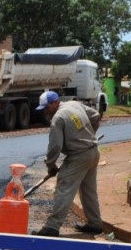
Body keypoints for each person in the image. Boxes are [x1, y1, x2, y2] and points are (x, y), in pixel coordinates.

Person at [31, 91, 103, 238]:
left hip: (79, 156)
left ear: (55, 102)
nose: (45, 111)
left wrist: (51, 166)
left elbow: (54, 148)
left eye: (47, 107)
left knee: (64, 187)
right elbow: (95, 116)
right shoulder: (74, 104)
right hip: (93, 152)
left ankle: (52, 227)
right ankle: (95, 223)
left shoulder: (58, 118)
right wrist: (88, 135)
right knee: (88, 189)